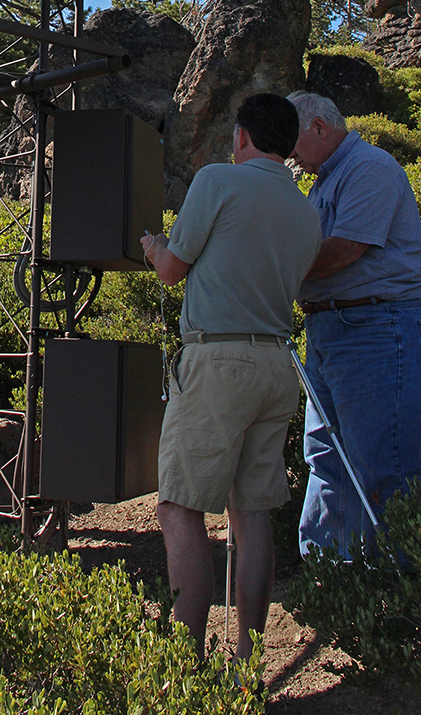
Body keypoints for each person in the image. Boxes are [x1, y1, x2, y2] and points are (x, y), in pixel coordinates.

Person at [141, 93, 321, 666]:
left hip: (218, 363)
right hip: (277, 364)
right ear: (290, 144)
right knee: (252, 514)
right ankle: (247, 655)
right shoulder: (305, 209)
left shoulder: (219, 180)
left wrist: (153, 247)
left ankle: (186, 664)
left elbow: (172, 272)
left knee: (179, 507)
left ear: (241, 136)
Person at [287, 91, 421, 558]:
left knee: (382, 469)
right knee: (327, 460)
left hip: (375, 329)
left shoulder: (369, 167)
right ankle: (330, 581)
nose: (290, 153)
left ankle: (398, 597)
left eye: (293, 140)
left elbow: (345, 249)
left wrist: (271, 271)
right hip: (334, 331)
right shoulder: (324, 182)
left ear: (319, 127)